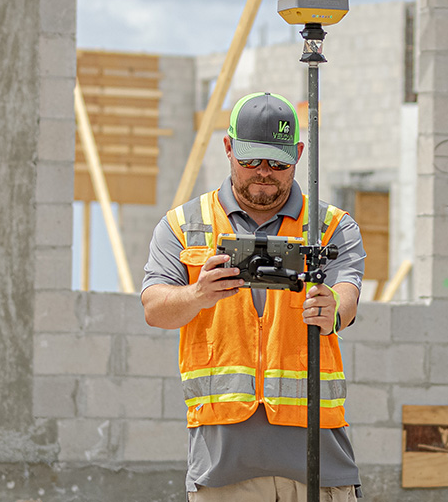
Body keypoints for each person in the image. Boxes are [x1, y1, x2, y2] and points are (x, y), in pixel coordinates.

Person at [141, 92, 365, 502]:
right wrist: (197, 294)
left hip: (318, 465)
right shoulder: (183, 225)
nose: (264, 173)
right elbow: (155, 308)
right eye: (251, 161)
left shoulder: (332, 227)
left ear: (298, 155)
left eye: (278, 163)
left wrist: (332, 309)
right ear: (228, 149)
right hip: (224, 469)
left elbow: (347, 295)